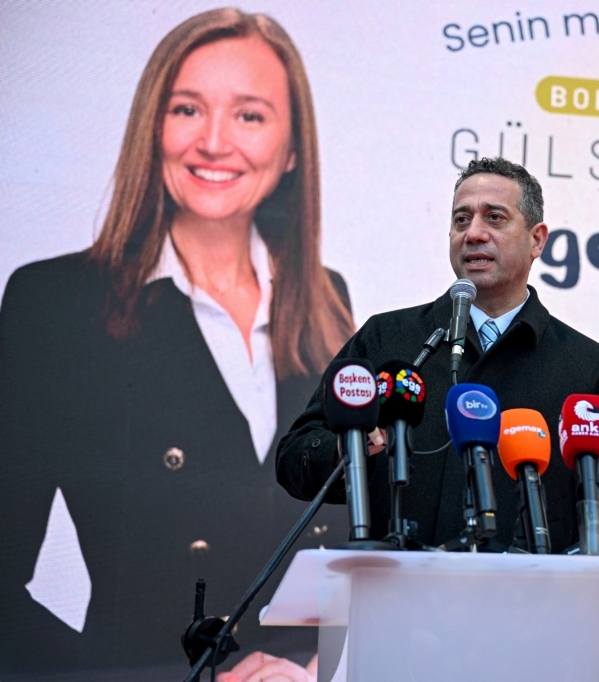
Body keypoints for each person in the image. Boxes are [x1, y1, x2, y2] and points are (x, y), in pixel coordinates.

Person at [0, 9, 352, 680]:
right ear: (152, 127)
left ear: (292, 149)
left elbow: (342, 547)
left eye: (249, 115)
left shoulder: (327, 302)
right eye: (187, 109)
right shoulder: (56, 303)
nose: (214, 142)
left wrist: (310, 666)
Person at [277, 157, 599, 658]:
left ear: (537, 239)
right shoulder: (389, 341)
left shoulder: (586, 368)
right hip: (399, 637)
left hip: (536, 642)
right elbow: (296, 457)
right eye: (461, 219)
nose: (473, 233)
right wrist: (351, 447)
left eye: (494, 217)